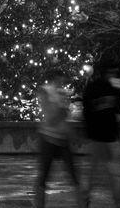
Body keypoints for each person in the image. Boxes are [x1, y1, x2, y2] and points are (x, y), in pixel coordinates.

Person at [34, 69, 86, 208]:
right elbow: (50, 118)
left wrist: (73, 136)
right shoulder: (44, 91)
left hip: (63, 141)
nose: (62, 83)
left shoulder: (62, 94)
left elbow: (65, 120)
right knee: (43, 177)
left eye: (62, 80)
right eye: (60, 79)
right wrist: (61, 109)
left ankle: (83, 204)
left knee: (74, 176)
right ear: (54, 78)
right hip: (48, 139)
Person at [82, 63, 120, 208]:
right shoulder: (98, 88)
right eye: (112, 72)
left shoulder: (104, 87)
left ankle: (87, 199)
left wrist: (119, 92)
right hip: (104, 136)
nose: (113, 76)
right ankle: (88, 199)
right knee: (107, 173)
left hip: (103, 136)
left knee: (99, 173)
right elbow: (87, 111)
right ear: (105, 73)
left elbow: (119, 109)